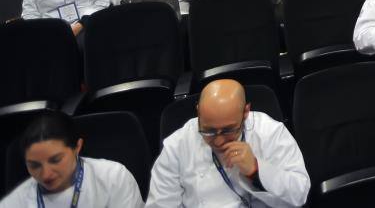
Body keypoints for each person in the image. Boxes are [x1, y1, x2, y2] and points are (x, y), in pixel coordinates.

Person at [147, 79, 309, 207]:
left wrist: (256, 170)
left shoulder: (269, 132)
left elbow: (300, 194)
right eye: (208, 131)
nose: (218, 140)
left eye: (227, 131)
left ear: (245, 113)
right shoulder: (177, 145)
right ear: (198, 112)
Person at [0, 110, 143, 207]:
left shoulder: (113, 178)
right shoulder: (15, 202)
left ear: (77, 147)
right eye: (34, 165)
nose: (46, 174)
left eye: (55, 160)